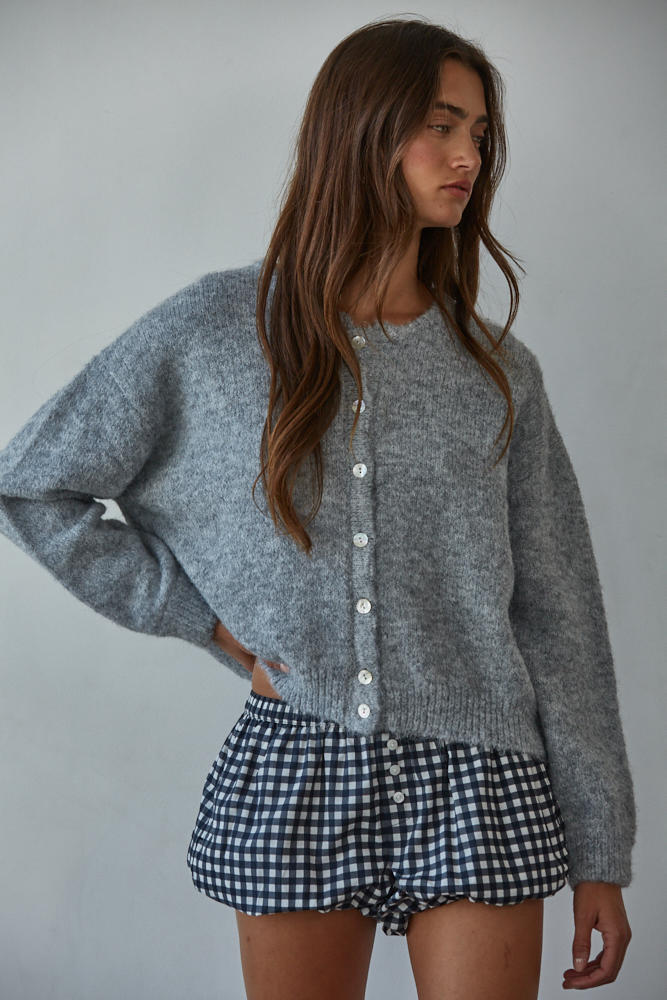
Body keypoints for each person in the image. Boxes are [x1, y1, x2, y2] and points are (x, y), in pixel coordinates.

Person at [0, 16, 636, 1000]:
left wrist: (600, 850)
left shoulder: (498, 373)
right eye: (440, 125)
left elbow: (560, 616)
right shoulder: (216, 331)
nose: (468, 157)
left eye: (478, 133)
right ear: (361, 131)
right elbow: (34, 481)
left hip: (482, 776)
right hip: (297, 757)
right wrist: (206, 623)